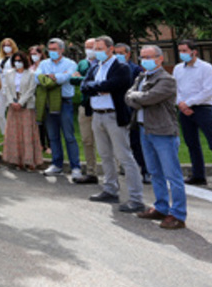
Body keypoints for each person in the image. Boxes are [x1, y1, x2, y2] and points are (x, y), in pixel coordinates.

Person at [125, 45, 186, 229]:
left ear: (160, 59)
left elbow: (149, 98)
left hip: (163, 131)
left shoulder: (167, 80)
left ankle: (178, 213)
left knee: (172, 174)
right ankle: (160, 207)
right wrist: (137, 96)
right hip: (145, 129)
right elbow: (128, 97)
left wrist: (136, 96)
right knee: (154, 172)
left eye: (149, 57)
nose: (145, 60)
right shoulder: (141, 77)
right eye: (142, 57)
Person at [81, 36, 144, 213]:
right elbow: (84, 86)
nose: (96, 51)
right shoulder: (95, 67)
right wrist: (99, 87)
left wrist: (98, 87)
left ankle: (136, 198)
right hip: (97, 115)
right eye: (95, 48)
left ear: (110, 49)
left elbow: (116, 85)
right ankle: (110, 189)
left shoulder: (121, 67)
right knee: (105, 155)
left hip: (114, 115)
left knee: (124, 156)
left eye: (100, 48)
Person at [174, 39, 212, 193]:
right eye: (180, 51)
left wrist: (189, 103)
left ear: (194, 51)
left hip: (203, 109)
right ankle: (198, 175)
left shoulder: (206, 68)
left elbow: (208, 90)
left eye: (185, 50)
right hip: (184, 109)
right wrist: (181, 104)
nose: (183, 54)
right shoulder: (178, 69)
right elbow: (176, 89)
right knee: (192, 144)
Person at [39, 38, 85, 182]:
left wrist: (52, 77)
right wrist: (57, 77)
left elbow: (66, 77)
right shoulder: (43, 63)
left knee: (69, 136)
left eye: (55, 49)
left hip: (65, 102)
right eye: (50, 49)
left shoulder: (71, 64)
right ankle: (56, 164)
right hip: (48, 103)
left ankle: (75, 167)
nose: (52, 52)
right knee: (53, 136)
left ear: (62, 50)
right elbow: (38, 78)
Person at [0, 51, 43, 171]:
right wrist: (12, 101)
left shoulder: (30, 74)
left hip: (26, 105)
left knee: (27, 133)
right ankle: (17, 160)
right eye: (15, 61)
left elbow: (31, 90)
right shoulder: (9, 74)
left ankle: (29, 160)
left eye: (20, 61)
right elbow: (7, 88)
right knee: (14, 133)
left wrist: (21, 102)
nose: (17, 63)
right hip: (13, 105)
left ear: (24, 61)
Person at [116, 42, 150, 185]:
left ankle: (145, 171)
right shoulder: (113, 69)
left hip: (132, 109)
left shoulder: (136, 70)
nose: (118, 56)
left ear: (128, 54)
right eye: (116, 53)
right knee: (122, 142)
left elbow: (138, 91)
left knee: (137, 143)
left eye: (121, 53)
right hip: (118, 109)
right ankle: (128, 168)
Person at [71, 38, 100, 183]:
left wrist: (82, 79)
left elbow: (99, 82)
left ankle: (113, 174)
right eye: (87, 47)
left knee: (105, 141)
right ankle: (91, 172)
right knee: (87, 140)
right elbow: (73, 80)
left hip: (100, 106)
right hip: (84, 105)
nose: (89, 49)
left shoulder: (102, 63)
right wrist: (87, 81)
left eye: (92, 47)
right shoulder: (82, 63)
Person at [29, 45, 50, 153]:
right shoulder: (31, 67)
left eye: (35, 54)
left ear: (41, 54)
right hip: (34, 96)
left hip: (45, 95)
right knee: (39, 121)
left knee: (47, 120)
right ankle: (41, 143)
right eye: (32, 54)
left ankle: (49, 145)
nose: (33, 56)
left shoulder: (45, 65)